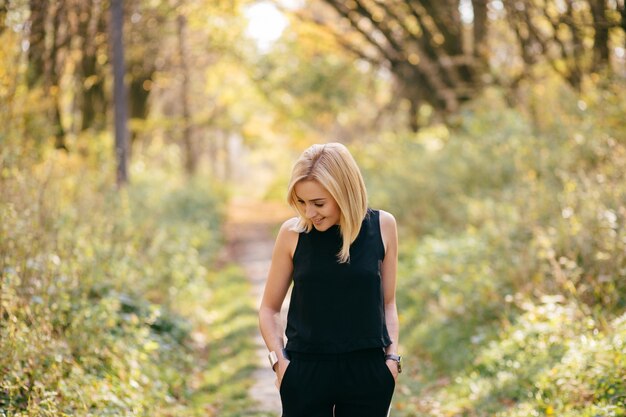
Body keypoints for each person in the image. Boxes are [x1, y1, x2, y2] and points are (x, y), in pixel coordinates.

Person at [258, 142, 401, 417]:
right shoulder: (292, 233)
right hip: (305, 371)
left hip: (368, 372)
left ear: (344, 193)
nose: (309, 212)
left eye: (318, 203)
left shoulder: (383, 226)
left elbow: (389, 303)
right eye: (301, 202)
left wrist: (392, 360)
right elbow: (269, 309)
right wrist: (280, 364)